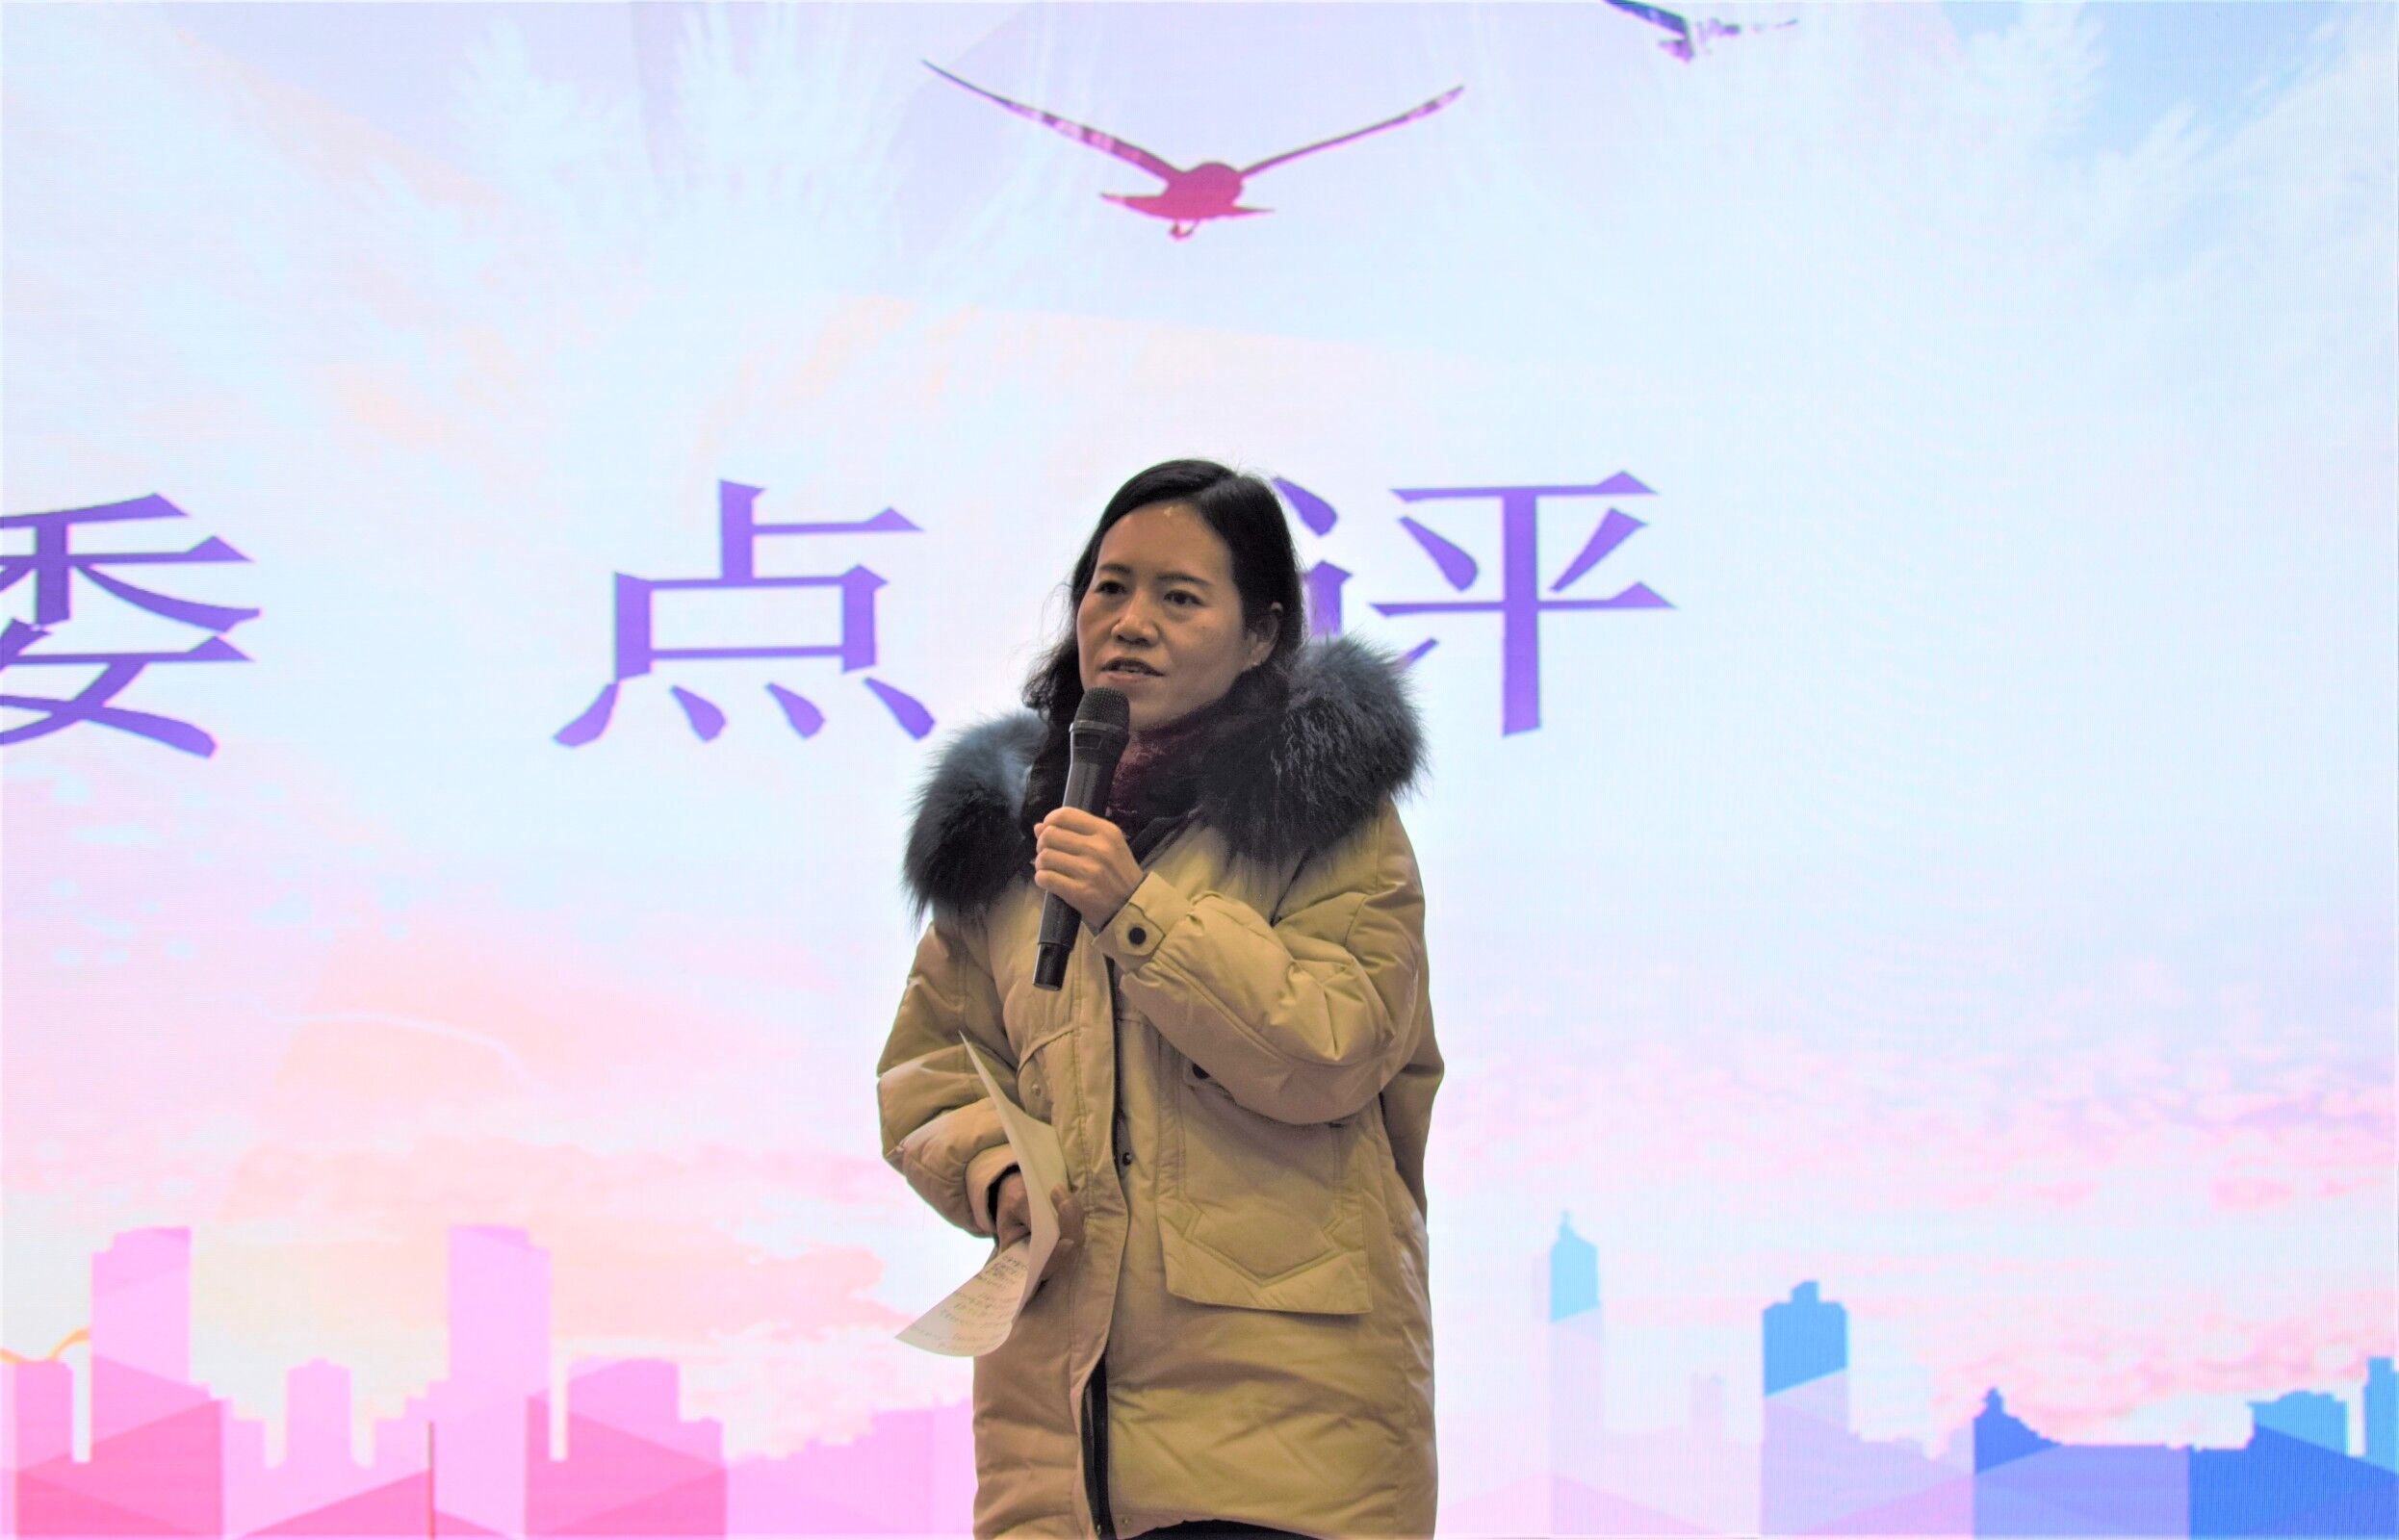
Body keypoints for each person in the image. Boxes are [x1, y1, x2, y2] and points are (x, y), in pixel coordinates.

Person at [877, 459, 1441, 1538]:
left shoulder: (1331, 822)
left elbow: (1332, 1048)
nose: (1130, 621)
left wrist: (1136, 910)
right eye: (1109, 587)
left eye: (1180, 597)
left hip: (1283, 1451)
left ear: (1260, 634)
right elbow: (931, 1072)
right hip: (1057, 1450)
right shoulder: (1011, 836)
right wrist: (998, 1173)